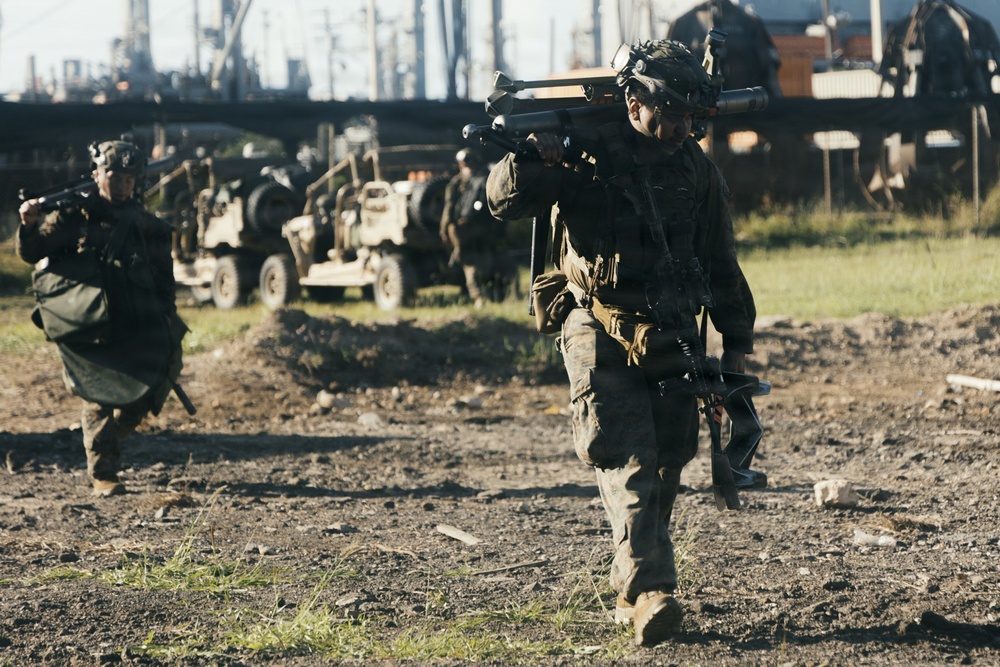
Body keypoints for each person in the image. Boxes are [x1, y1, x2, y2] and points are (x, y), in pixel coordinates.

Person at [487, 40, 756, 646]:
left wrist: (735, 346)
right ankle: (653, 591)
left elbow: (719, 258)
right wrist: (531, 157)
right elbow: (503, 201)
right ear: (634, 103)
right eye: (672, 113)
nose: (683, 128)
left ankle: (628, 589)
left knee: (669, 458)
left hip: (671, 327)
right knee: (627, 457)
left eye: (691, 116)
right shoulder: (581, 154)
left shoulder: (693, 169)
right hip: (596, 323)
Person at [17, 140, 185, 497]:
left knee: (152, 384)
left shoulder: (146, 224)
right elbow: (33, 252)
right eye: (114, 177)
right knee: (98, 397)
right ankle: (103, 473)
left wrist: (167, 315)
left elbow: (164, 275)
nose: (121, 185)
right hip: (88, 322)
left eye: (129, 179)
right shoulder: (74, 216)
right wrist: (29, 224)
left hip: (134, 320)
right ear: (97, 175)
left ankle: (106, 439)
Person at [440, 148, 506, 308]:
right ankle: (490, 295)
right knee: (485, 260)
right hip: (485, 228)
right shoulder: (487, 178)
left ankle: (478, 297)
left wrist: (444, 229)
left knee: (470, 264)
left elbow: (449, 207)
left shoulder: (457, 182)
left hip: (464, 229)